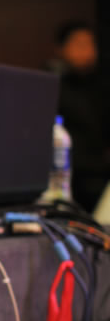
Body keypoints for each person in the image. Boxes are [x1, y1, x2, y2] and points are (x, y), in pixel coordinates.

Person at [47, 21, 109, 212]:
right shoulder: (53, 85)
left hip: (101, 175)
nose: (86, 51)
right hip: (68, 177)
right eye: (79, 44)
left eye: (90, 44)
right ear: (61, 49)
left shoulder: (102, 85)